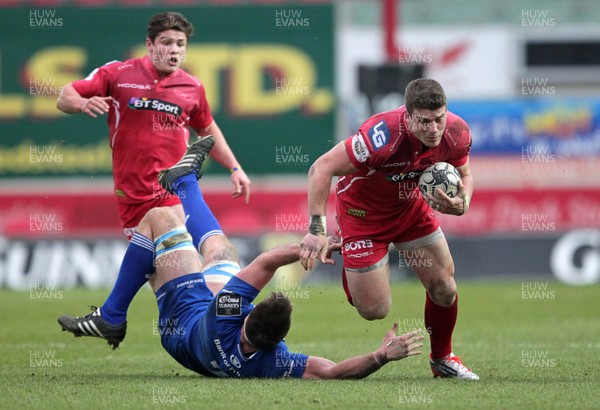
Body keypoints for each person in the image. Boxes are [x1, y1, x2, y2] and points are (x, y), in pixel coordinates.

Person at [57, 141, 424, 379]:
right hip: (203, 344)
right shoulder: (271, 362)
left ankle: (112, 316)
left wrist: (312, 246)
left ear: (245, 311)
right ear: (278, 342)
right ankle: (184, 179)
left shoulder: (227, 312)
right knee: (221, 252)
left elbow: (266, 262)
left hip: (181, 321)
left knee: (160, 220)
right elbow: (331, 372)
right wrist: (380, 357)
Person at [56, 11, 248, 320]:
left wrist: (235, 168)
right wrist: (82, 103)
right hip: (133, 199)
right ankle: (196, 324)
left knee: (215, 250)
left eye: (180, 44)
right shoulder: (118, 74)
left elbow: (208, 130)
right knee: (165, 280)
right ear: (149, 44)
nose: (174, 50)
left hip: (175, 190)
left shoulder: (192, 88)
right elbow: (66, 95)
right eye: (167, 42)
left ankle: (227, 321)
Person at [299, 78, 479, 380]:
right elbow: (321, 168)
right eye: (424, 122)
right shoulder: (381, 136)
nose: (434, 130)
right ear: (407, 116)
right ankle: (350, 255)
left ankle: (442, 359)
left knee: (445, 288)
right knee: (374, 309)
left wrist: (464, 202)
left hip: (409, 210)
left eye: (439, 119)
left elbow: (466, 174)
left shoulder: (457, 132)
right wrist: (317, 229)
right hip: (362, 215)